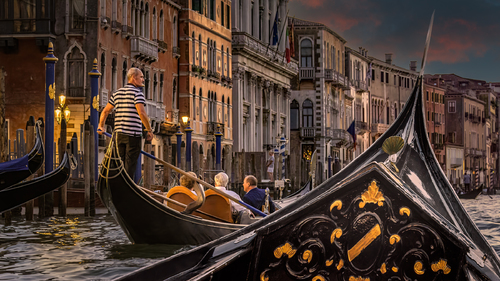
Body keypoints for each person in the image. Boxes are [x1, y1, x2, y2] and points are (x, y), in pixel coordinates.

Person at [98, 68, 153, 180]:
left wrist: (101, 126)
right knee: (130, 165)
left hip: (118, 135)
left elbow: (105, 111)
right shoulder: (138, 93)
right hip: (133, 135)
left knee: (120, 164)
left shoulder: (117, 93)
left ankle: (120, 187)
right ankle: (128, 188)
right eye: (141, 77)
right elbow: (141, 113)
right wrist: (149, 130)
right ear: (133, 77)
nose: (143, 79)